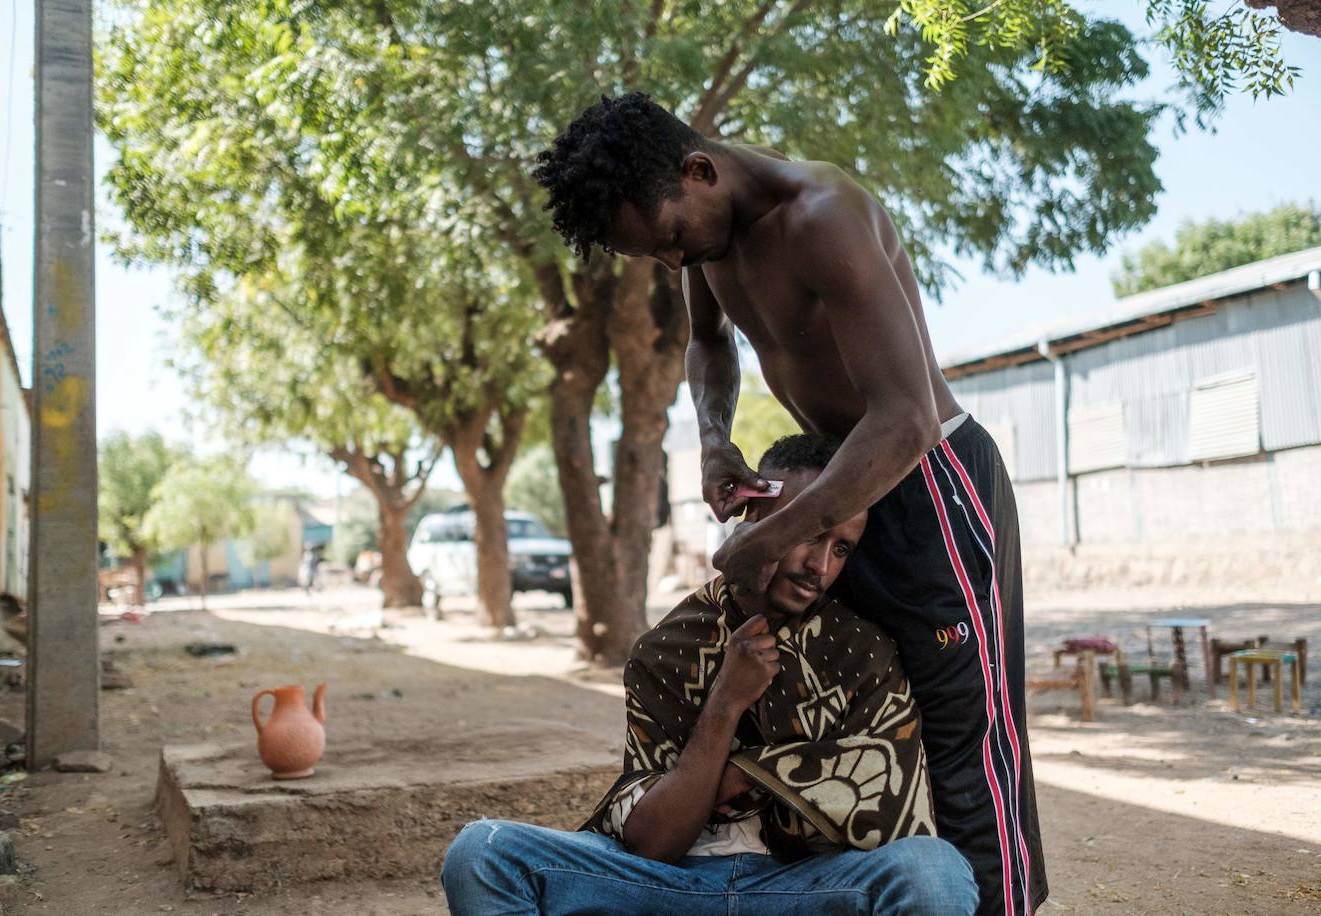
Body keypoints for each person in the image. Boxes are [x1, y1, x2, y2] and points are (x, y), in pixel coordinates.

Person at [534, 93, 1045, 915]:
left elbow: (906, 419)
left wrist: (769, 536)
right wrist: (712, 437)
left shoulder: (822, 216)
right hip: (841, 485)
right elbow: (709, 343)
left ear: (699, 172)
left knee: (965, 734)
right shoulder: (707, 238)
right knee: (878, 717)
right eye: (655, 257)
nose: (671, 263)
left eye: (668, 239)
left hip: (930, 484)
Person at [442, 434, 977, 916]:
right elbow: (654, 842)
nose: (822, 565)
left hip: (803, 888)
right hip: (663, 886)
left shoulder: (862, 651)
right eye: (809, 533)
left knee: (933, 870)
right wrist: (725, 702)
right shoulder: (667, 649)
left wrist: (748, 772)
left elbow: (888, 795)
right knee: (482, 854)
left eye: (842, 548)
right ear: (755, 516)